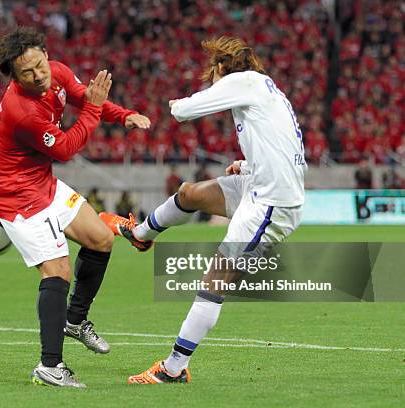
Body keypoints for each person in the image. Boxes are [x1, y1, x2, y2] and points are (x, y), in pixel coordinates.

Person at [101, 36, 307, 383]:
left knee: (216, 279)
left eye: (212, 73)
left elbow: (183, 111)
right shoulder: (265, 90)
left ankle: (173, 369)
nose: (211, 80)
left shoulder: (243, 83)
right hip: (259, 187)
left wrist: (174, 103)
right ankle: (140, 235)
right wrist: (245, 165)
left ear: (222, 69)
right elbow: (283, 147)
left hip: (272, 205)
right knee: (191, 193)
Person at [0, 27, 150, 387]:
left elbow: (85, 95)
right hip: (19, 197)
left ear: (47, 55)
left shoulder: (57, 71)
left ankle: (75, 320)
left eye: (40, 65)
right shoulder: (21, 110)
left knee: (100, 240)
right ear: (14, 76)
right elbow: (64, 148)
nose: (38, 75)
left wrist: (122, 115)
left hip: (42, 183)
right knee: (57, 271)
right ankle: (50, 366)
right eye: (27, 72)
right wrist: (93, 110)